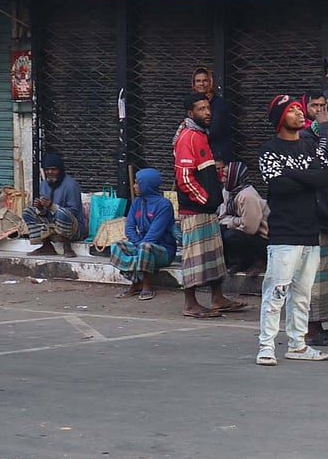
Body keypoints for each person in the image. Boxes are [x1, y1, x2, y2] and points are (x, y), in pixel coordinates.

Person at [255, 95, 328, 366]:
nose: (300, 113)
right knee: (276, 291)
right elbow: (277, 186)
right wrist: (308, 178)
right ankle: (266, 345)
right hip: (284, 233)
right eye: (292, 110)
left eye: (300, 109)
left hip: (310, 232)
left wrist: (293, 174)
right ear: (280, 118)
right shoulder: (269, 150)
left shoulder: (310, 146)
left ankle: (297, 345)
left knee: (303, 293)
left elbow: (327, 176)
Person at [175, 92, 246, 319]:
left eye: (208, 108)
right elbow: (185, 178)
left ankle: (217, 298)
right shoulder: (188, 137)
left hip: (207, 208)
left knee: (214, 256)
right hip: (195, 209)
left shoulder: (201, 135)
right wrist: (205, 198)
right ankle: (190, 303)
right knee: (194, 258)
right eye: (201, 109)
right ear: (190, 113)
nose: (207, 112)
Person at [299, 94, 328, 348]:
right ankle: (312, 329)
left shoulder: (321, 136)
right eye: (314, 106)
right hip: (316, 218)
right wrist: (326, 128)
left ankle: (316, 327)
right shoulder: (309, 138)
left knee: (324, 276)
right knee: (315, 278)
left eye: (322, 107)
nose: (319, 111)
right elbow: (327, 159)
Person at [111, 168, 176, 300]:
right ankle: (136, 283)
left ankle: (146, 285)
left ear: (147, 185)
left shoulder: (164, 205)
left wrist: (139, 249)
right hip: (140, 245)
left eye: (137, 183)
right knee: (116, 246)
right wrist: (137, 246)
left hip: (163, 250)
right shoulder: (137, 202)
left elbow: (154, 235)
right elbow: (129, 228)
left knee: (146, 246)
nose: (134, 186)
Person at [22, 153, 85, 257]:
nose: (50, 172)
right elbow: (44, 212)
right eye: (47, 169)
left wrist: (52, 206)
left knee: (61, 213)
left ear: (60, 170)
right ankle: (46, 246)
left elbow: (73, 211)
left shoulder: (71, 185)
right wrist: (40, 208)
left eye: (53, 169)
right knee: (28, 212)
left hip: (73, 229)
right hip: (52, 226)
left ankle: (67, 247)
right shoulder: (44, 184)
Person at [219, 160, 269, 274]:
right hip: (242, 229)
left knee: (231, 235)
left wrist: (231, 222)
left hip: (262, 238)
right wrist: (237, 221)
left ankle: (247, 262)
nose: (223, 180)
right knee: (219, 231)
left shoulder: (247, 195)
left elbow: (250, 228)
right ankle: (229, 262)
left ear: (235, 177)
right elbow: (221, 219)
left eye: (226, 176)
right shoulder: (227, 192)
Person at [191, 67, 232, 162]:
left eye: (205, 80)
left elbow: (214, 131)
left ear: (210, 82)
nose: (201, 84)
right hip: (198, 153)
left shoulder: (219, 104)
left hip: (217, 154)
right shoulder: (191, 103)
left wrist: (194, 138)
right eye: (198, 81)